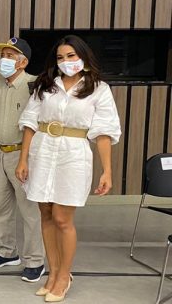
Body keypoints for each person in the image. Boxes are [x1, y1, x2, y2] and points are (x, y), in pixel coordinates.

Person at [16, 35, 121, 302]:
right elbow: (29, 122)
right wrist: (23, 159)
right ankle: (52, 274)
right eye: (61, 57)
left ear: (83, 57)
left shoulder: (99, 88)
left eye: (71, 56)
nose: (66, 62)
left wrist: (107, 171)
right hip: (42, 150)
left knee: (63, 218)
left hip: (73, 154)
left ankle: (64, 275)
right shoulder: (46, 85)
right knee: (46, 213)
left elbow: (104, 133)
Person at [0, 37, 45, 282]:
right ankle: (7, 252)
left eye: (9, 56)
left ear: (23, 62)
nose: (3, 60)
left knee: (29, 211)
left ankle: (35, 260)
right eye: (3, 55)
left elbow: (38, 126)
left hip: (22, 155)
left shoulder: (34, 86)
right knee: (1, 209)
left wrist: (25, 159)